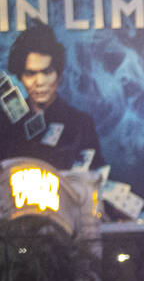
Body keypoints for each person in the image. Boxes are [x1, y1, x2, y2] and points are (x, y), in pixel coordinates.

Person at [3, 22, 106, 172]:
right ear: (20, 77)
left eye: (47, 72)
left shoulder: (81, 124)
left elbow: (96, 178)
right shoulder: (5, 124)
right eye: (30, 73)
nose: (40, 82)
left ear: (58, 74)